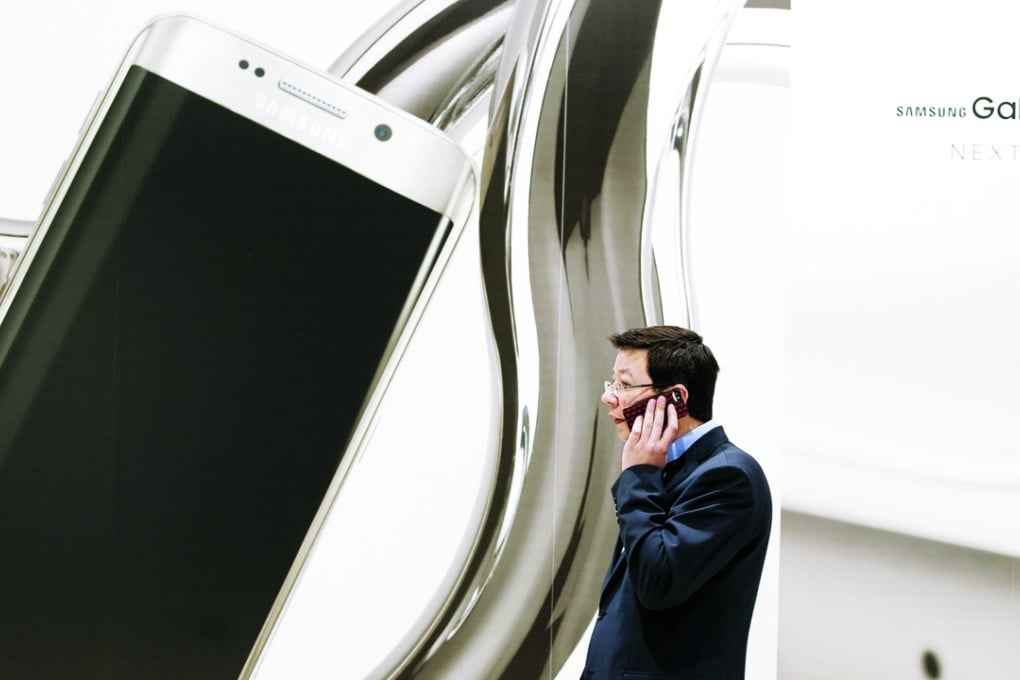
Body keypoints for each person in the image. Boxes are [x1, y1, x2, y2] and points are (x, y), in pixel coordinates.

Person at [581, 325, 772, 679]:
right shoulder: (666, 470)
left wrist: (638, 476)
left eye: (624, 385)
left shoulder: (730, 477)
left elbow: (658, 582)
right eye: (612, 384)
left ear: (676, 399)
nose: (610, 397)